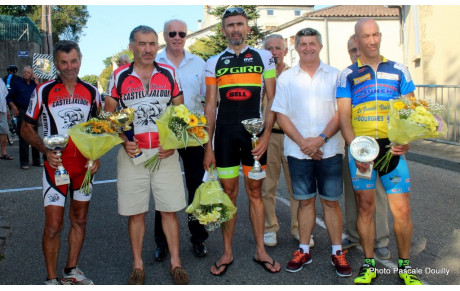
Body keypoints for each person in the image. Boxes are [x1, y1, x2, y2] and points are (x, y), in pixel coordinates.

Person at [337, 18, 422, 285]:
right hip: (362, 149)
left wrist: (407, 139)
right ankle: (369, 264)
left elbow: (411, 111)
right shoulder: (347, 74)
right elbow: (343, 117)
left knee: (402, 211)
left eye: (375, 35)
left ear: (380, 36)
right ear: (357, 40)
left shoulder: (399, 70)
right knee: (365, 207)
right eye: (366, 36)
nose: (372, 41)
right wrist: (356, 152)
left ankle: (405, 267)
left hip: (392, 149)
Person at [104, 25, 189, 285]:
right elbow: (109, 117)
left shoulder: (169, 72)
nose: (148, 49)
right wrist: (122, 141)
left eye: (153, 44)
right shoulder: (118, 76)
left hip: (164, 153)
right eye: (142, 44)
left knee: (169, 210)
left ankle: (176, 263)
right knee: (136, 212)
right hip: (133, 153)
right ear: (132, 47)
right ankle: (138, 265)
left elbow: (180, 111)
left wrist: (174, 142)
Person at [204, 7, 281, 276]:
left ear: (247, 28)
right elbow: (211, 105)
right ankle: (227, 251)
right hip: (224, 135)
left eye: (239, 24)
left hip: (254, 136)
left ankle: (261, 250)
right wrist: (208, 145)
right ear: (223, 30)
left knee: (256, 193)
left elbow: (272, 99)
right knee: (228, 194)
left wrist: (267, 135)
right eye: (230, 25)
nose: (235, 29)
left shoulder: (264, 57)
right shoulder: (214, 61)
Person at [20, 40, 102, 285]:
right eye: (64, 62)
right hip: (56, 168)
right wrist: (45, 150)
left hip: (83, 169)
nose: (69, 67)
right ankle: (51, 279)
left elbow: (100, 129)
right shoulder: (43, 91)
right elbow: (25, 127)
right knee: (54, 225)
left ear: (80, 60)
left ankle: (71, 270)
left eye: (73, 61)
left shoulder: (92, 92)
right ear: (56, 63)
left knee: (79, 219)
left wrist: (96, 155)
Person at [271, 27, 351, 277]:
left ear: (320, 46)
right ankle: (303, 249)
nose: (308, 48)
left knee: (330, 202)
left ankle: (337, 252)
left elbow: (342, 113)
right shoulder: (286, 78)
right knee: (304, 202)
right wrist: (304, 143)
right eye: (303, 44)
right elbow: (281, 114)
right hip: (297, 150)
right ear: (295, 47)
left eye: (312, 43)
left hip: (330, 148)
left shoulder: (336, 75)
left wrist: (320, 140)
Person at [154, 19, 209, 260]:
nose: (177, 37)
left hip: (194, 133)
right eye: (172, 33)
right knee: (163, 188)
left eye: (182, 33)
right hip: (164, 134)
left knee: (196, 187)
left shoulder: (199, 62)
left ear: (186, 36)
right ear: (165, 36)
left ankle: (198, 238)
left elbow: (208, 99)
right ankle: (162, 241)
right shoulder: (154, 61)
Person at [261, 34, 314, 248]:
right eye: (270, 49)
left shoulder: (296, 75)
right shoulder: (260, 77)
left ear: (285, 50)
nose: (274, 52)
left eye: (278, 48)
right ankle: (269, 228)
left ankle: (299, 229)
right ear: (264, 52)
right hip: (269, 136)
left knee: (298, 187)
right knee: (267, 186)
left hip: (293, 138)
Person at [341, 34, 391, 260]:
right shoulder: (348, 76)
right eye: (352, 50)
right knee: (353, 191)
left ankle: (380, 239)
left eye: (357, 48)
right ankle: (354, 235)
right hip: (351, 145)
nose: (356, 53)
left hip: (377, 144)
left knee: (376, 193)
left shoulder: (379, 74)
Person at [6, 66, 42, 169]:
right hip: (21, 110)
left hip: (33, 111)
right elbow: (9, 98)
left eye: (28, 72)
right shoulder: (17, 84)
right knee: (24, 137)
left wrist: (36, 81)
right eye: (25, 72)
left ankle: (36, 160)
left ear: (32, 74)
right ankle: (24, 162)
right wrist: (14, 108)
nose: (26, 73)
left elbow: (41, 94)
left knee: (34, 136)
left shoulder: (34, 85)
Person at [0, 78, 13, 161]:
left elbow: (5, 96)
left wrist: (7, 109)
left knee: (4, 131)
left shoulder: (1, 81)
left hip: (2, 109)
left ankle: (3, 153)